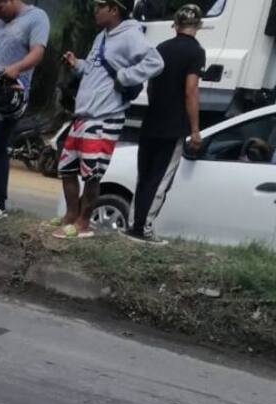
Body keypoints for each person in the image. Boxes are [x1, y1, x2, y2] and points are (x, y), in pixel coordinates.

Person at [57, 0, 163, 239]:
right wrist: (77, 64)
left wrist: (126, 76)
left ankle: (83, 223)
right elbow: (94, 69)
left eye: (99, 5)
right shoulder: (102, 36)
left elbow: (156, 62)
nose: (95, 10)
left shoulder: (131, 35)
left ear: (114, 9)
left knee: (92, 174)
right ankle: (70, 216)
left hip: (105, 116)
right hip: (83, 114)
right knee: (66, 168)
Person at [127, 3, 205, 244]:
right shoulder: (196, 52)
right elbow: (190, 90)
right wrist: (195, 129)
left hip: (151, 120)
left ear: (175, 25)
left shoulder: (161, 47)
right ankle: (144, 229)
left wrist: (158, 106)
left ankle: (133, 224)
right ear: (199, 26)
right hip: (174, 126)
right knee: (160, 179)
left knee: (144, 175)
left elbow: (151, 85)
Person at [0, 0, 50, 221]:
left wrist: (17, 68)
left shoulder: (36, 17)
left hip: (12, 93)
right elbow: (0, 51)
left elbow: (37, 53)